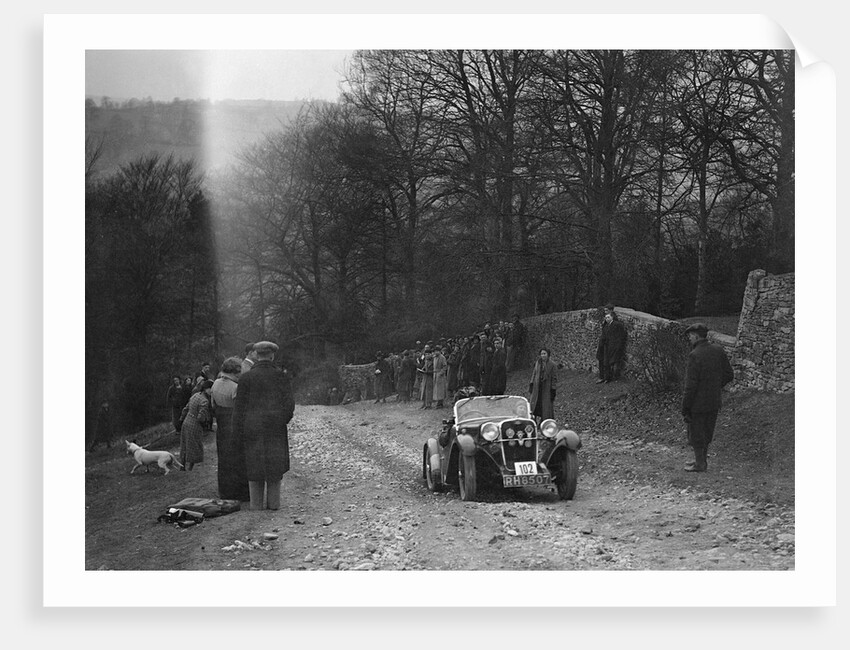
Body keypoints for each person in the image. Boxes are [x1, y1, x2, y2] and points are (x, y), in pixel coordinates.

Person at [232, 341, 295, 511]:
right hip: (275, 428)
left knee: (254, 465)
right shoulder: (281, 376)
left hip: (251, 428)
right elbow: (289, 405)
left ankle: (256, 506)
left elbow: (239, 409)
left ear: (257, 356)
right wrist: (282, 420)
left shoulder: (245, 378)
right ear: (272, 356)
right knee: (274, 467)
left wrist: (238, 431)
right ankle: (274, 504)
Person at [681, 323, 734, 472]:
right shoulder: (718, 350)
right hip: (714, 400)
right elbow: (729, 374)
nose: (689, 339)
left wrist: (685, 406)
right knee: (707, 431)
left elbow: (690, 386)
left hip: (697, 402)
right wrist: (716, 385)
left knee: (696, 433)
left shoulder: (694, 355)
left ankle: (700, 464)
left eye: (690, 336)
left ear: (696, 336)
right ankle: (701, 460)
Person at [211, 357, 249, 501]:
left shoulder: (215, 383)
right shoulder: (235, 387)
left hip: (221, 425)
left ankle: (225, 491)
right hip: (233, 424)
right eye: (239, 372)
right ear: (234, 372)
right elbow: (240, 409)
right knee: (238, 459)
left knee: (224, 459)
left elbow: (213, 406)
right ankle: (239, 493)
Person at [180, 380, 213, 471]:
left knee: (184, 444)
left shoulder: (195, 395)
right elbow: (200, 417)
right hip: (195, 424)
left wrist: (182, 418)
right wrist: (205, 423)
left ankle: (182, 466)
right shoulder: (204, 401)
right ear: (206, 389)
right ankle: (190, 468)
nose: (212, 391)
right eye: (210, 389)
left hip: (186, 421)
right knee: (194, 446)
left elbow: (186, 408)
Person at [595, 303, 628, 383]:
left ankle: (608, 377)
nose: (605, 312)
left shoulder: (615, 323)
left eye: (606, 310)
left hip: (611, 344)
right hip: (604, 343)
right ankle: (603, 376)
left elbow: (620, 335)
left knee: (609, 361)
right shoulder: (606, 321)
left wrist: (617, 344)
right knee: (602, 359)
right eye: (605, 311)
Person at [528, 348, 557, 424]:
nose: (543, 355)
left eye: (544, 354)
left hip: (546, 388)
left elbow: (554, 378)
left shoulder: (552, 365)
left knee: (545, 406)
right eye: (542, 354)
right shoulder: (538, 363)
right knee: (534, 404)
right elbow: (534, 373)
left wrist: (553, 389)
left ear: (548, 355)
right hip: (537, 387)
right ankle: (533, 420)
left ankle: (544, 421)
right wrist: (531, 383)